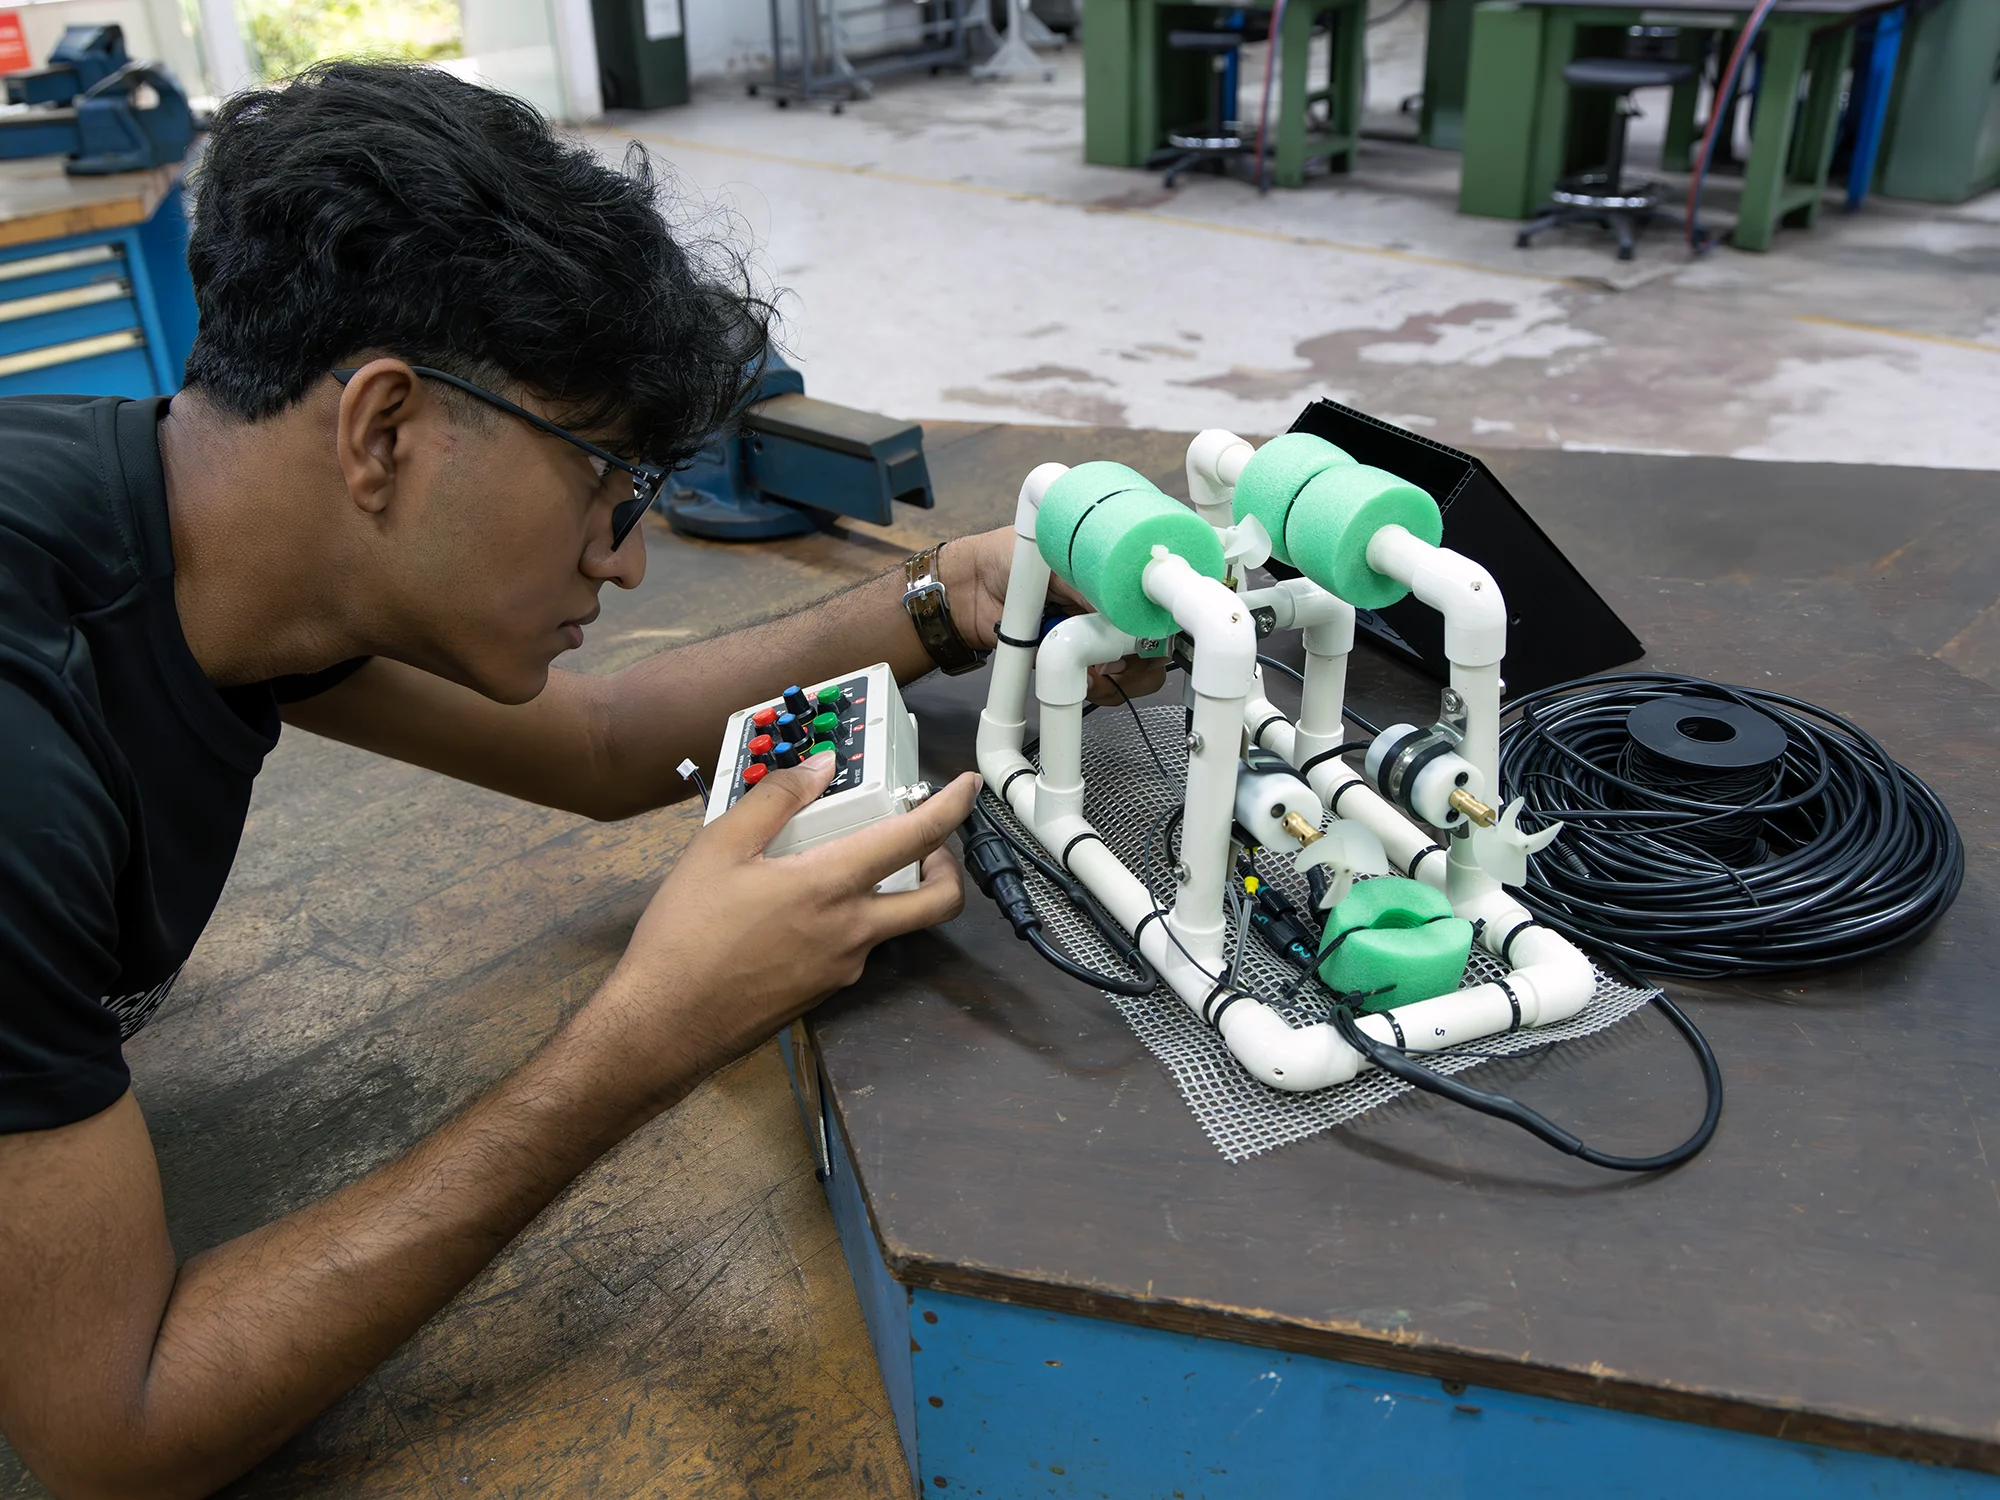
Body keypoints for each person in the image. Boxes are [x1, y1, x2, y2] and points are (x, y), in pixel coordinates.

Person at [0, 62, 1160, 1499]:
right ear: (384, 433)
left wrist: (938, 606)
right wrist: (649, 1033)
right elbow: (114, 1430)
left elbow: (608, 750)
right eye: (606, 491)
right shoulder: (22, 749)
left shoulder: (218, 537)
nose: (623, 560)